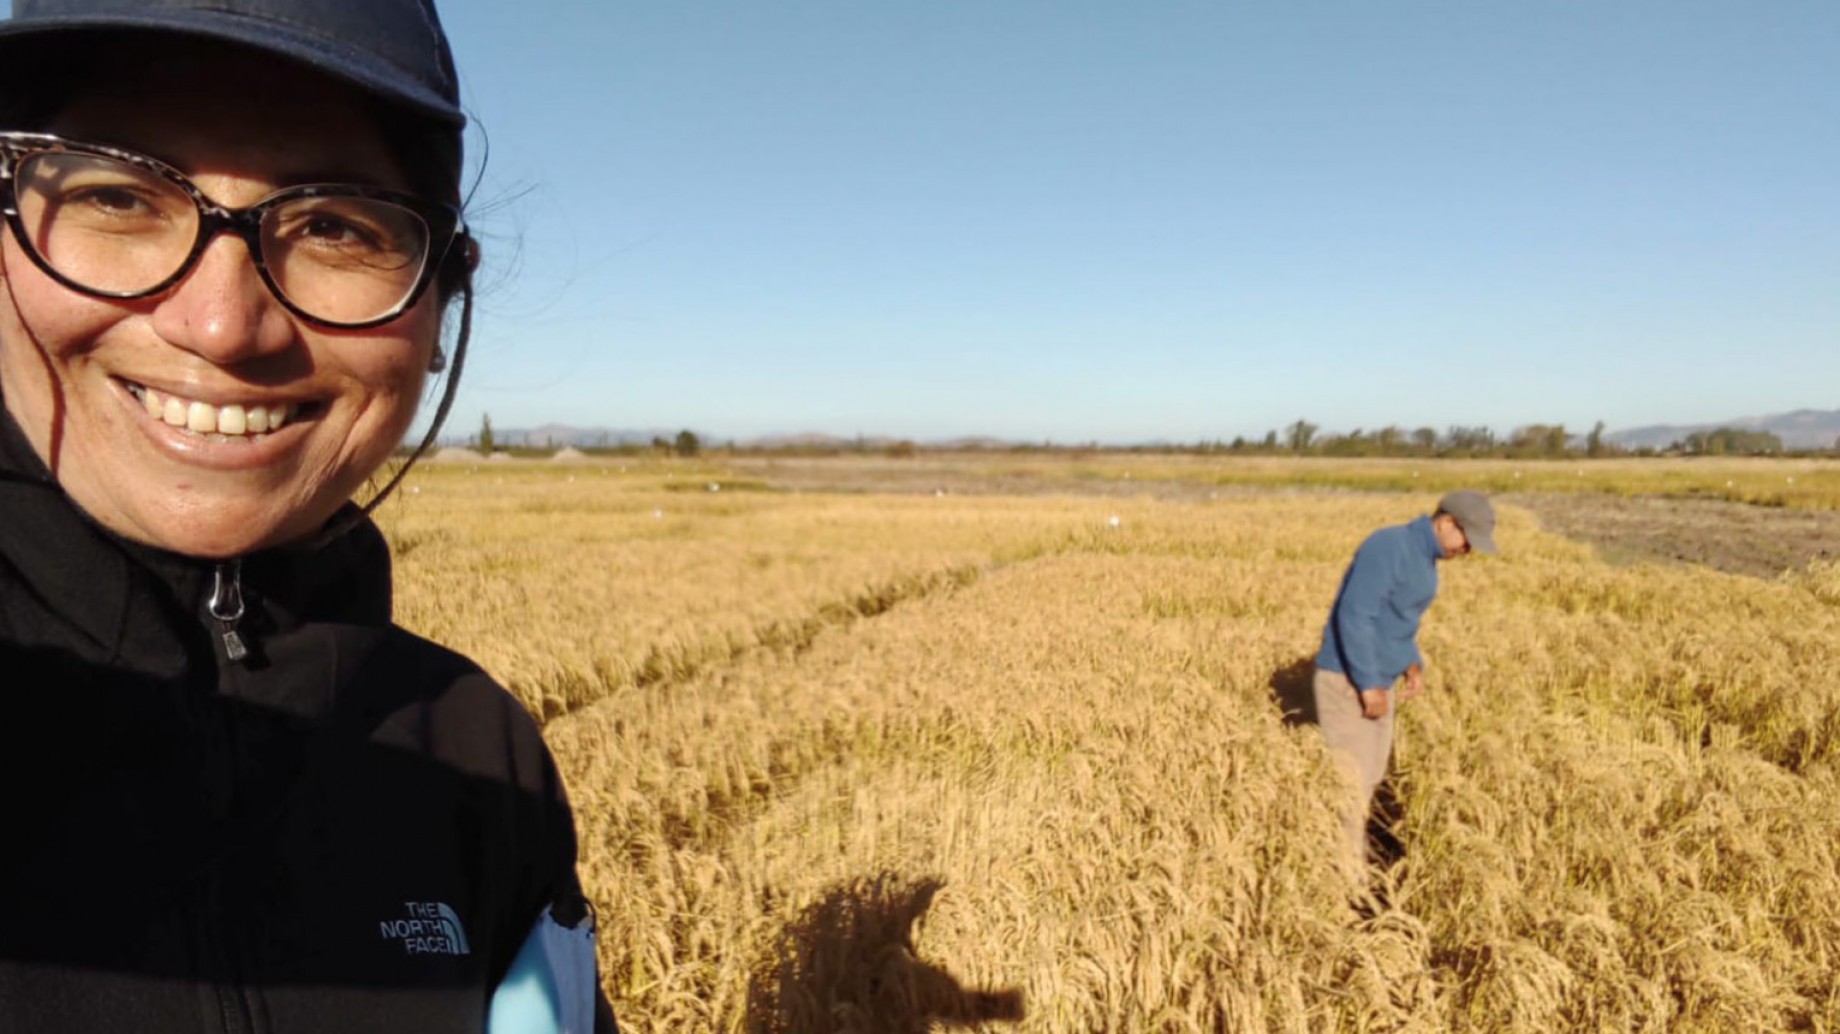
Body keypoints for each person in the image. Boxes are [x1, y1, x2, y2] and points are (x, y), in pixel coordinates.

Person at [0, 0, 616, 1029]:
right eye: (117, 194)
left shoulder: (477, 758)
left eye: (335, 224)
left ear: (440, 304)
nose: (221, 322)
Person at [1313, 490, 1497, 878]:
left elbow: (1395, 619)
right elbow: (1356, 616)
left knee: (1370, 778)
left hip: (1378, 678)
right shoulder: (1390, 546)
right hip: (1348, 680)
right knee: (1350, 786)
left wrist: (1411, 662)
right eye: (1467, 539)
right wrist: (1367, 685)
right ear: (1446, 523)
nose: (1468, 550)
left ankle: (1354, 866)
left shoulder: (1424, 558)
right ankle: (1340, 882)